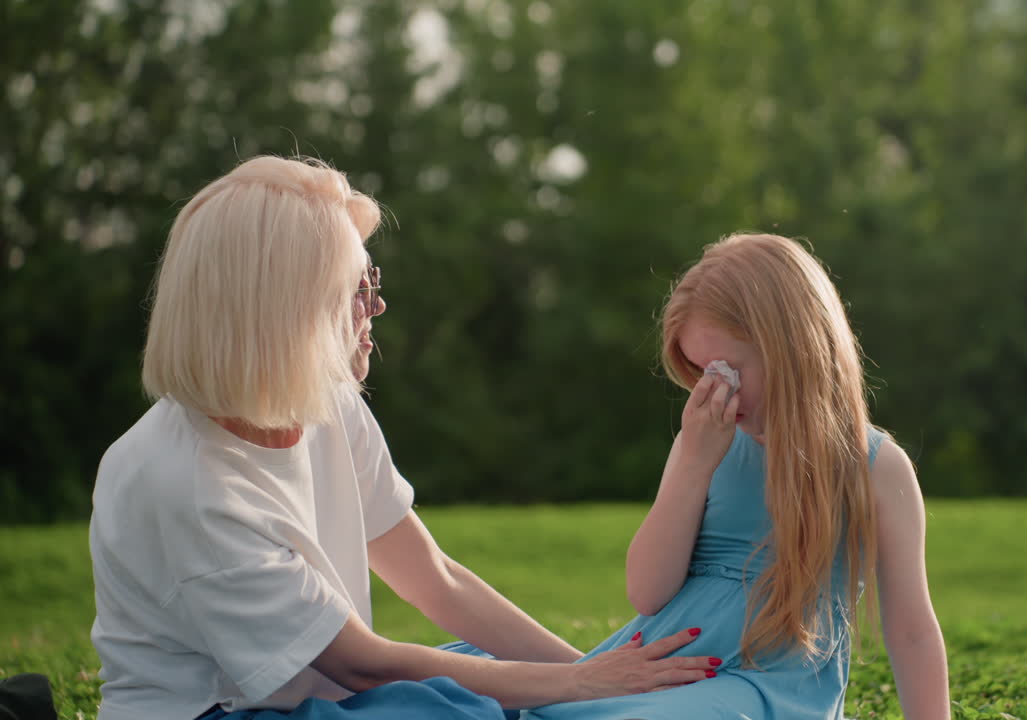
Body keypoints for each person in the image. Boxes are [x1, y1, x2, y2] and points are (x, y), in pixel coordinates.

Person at [88, 156, 719, 720]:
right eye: (356, 292)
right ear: (287, 313)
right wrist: (581, 683)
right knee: (456, 706)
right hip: (222, 712)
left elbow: (435, 579)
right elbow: (364, 664)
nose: (377, 308)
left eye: (373, 281)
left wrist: (594, 679)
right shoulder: (188, 485)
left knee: (492, 676)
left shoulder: (326, 402)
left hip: (325, 695)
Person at [516, 233, 952, 719]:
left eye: (728, 368)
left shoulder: (874, 466)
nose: (713, 389)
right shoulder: (702, 445)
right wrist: (694, 463)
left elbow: (911, 628)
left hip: (765, 686)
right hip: (661, 666)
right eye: (700, 370)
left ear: (793, 347)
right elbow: (647, 591)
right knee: (464, 682)